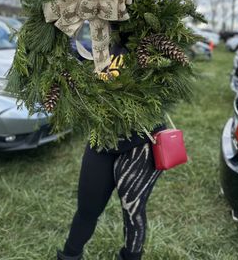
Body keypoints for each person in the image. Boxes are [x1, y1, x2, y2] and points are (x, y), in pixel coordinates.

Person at [57, 27, 166, 260]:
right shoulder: (102, 42)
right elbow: (77, 54)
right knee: (87, 209)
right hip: (103, 140)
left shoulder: (149, 40)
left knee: (132, 211)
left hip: (140, 144)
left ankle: (129, 256)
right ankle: (69, 255)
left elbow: (165, 78)